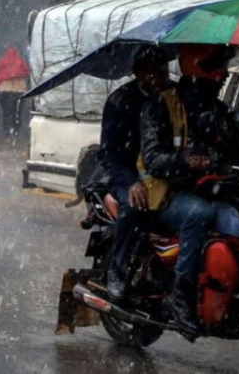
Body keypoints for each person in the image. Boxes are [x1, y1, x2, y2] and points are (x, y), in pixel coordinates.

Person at [140, 44, 239, 338]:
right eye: (219, 66)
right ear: (199, 67)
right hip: (166, 193)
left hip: (210, 192)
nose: (225, 74)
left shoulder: (219, 110)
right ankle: (181, 297)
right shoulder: (161, 106)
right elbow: (152, 159)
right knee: (199, 214)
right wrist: (185, 159)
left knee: (234, 221)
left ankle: (229, 304)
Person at [98, 45, 171, 303]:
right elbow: (108, 154)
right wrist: (131, 182)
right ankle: (116, 272)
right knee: (133, 206)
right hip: (126, 176)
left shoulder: (171, 97)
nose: (158, 80)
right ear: (138, 74)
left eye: (162, 73)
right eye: (151, 75)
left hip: (164, 175)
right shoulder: (120, 102)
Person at [0, 47, 31, 137]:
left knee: (6, 111)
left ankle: (6, 132)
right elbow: (27, 71)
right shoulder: (20, 61)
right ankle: (16, 130)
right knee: (17, 111)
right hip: (19, 89)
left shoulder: (2, 61)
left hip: (5, 89)